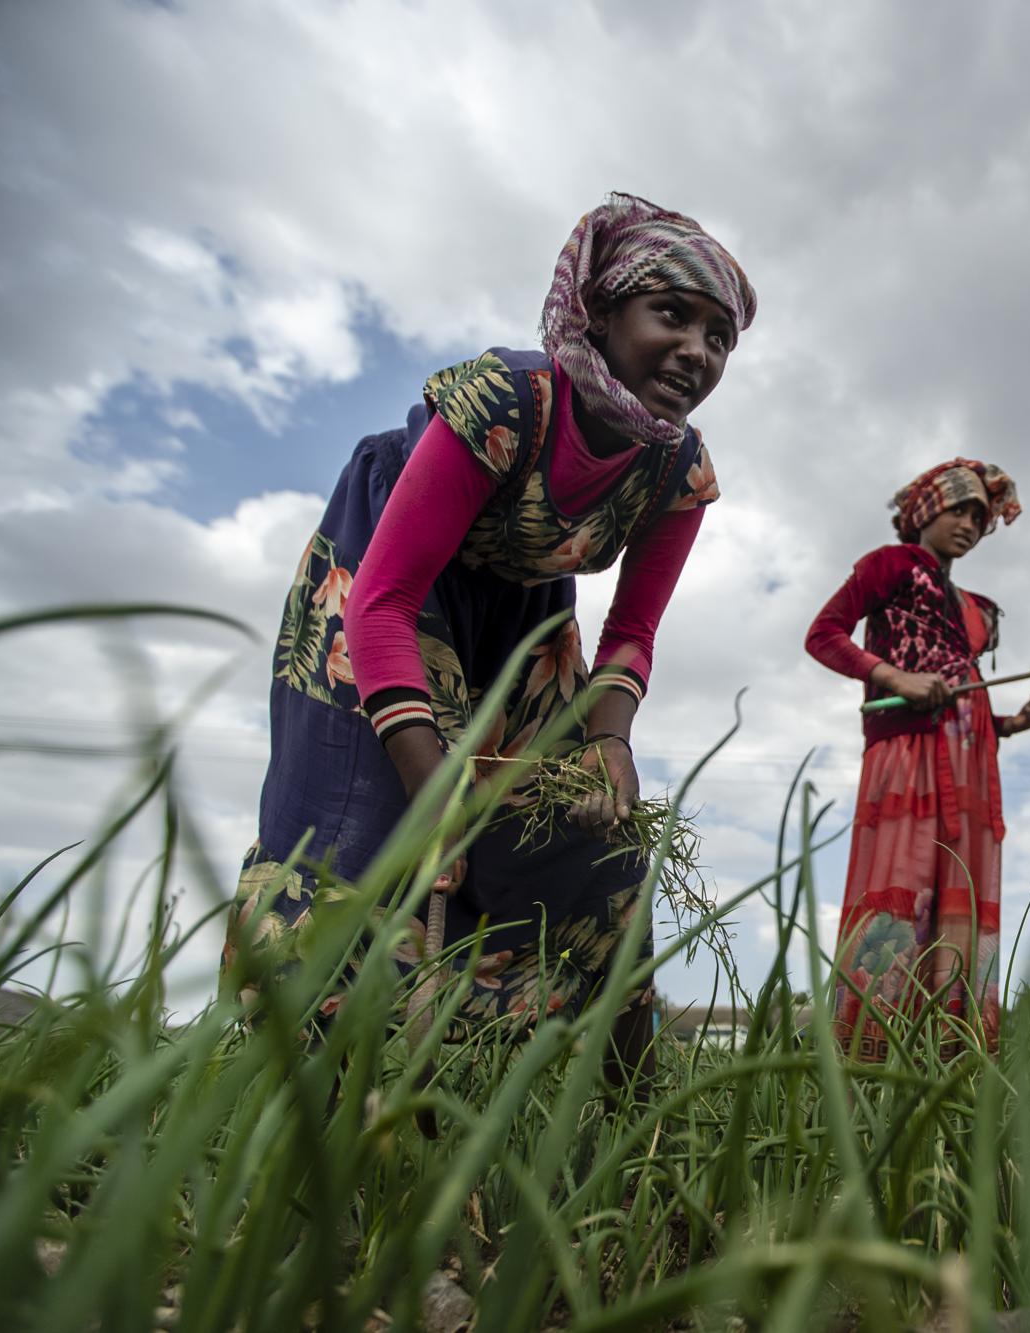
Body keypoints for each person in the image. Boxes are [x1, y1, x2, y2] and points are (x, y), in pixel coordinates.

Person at [223, 193, 756, 1078]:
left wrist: (610, 740)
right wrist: (436, 791)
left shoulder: (676, 467)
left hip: (523, 609)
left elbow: (631, 630)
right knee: (358, 828)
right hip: (388, 578)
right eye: (672, 314)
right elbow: (384, 599)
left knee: (591, 834)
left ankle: (626, 1111)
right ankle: (311, 1096)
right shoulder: (505, 398)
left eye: (720, 338)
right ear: (604, 310)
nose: (697, 352)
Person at [804, 459, 1030, 1060]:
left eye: (979, 517)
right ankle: (869, 1050)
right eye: (957, 510)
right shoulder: (888, 565)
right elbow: (823, 634)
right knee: (902, 876)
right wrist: (894, 676)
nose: (969, 523)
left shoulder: (969, 603)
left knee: (957, 886)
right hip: (906, 751)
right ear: (923, 512)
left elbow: (962, 692)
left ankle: (953, 1052)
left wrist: (1012, 722)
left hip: (970, 762)